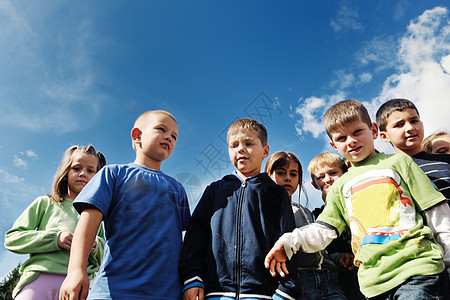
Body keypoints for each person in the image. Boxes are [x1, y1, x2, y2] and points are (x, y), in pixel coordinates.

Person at [264, 99, 450, 299]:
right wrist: (289, 242)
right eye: (341, 138)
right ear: (333, 145)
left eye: (357, 132)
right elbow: (324, 229)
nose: (351, 141)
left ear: (373, 130)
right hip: (373, 282)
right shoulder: (341, 186)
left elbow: (435, 211)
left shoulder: (398, 163)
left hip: (417, 269)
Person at [59, 110, 191, 300]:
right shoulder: (113, 174)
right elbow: (88, 223)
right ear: (137, 136)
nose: (168, 137)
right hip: (114, 290)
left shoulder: (177, 189)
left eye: (174, 136)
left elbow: (183, 242)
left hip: (167, 294)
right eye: (161, 129)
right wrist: (75, 271)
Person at [179, 118, 298, 300]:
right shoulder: (215, 191)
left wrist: (285, 291)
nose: (240, 149)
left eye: (248, 143)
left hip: (262, 294)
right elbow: (196, 236)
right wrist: (193, 278)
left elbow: (288, 242)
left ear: (265, 150)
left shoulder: (277, 193)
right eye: (234, 145)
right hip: (216, 292)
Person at [5, 145, 106, 300]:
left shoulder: (95, 214)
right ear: (66, 172)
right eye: (76, 168)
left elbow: (102, 254)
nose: (83, 174)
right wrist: (55, 239)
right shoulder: (45, 203)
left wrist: (94, 245)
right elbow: (12, 238)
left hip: (80, 288)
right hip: (39, 279)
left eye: (90, 170)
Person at [265, 151, 347, 300]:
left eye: (293, 174)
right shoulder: (265, 212)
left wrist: (337, 258)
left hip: (329, 279)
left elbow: (321, 249)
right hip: (297, 281)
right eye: (281, 173)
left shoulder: (306, 212)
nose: (288, 178)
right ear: (268, 175)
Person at [308, 152, 365, 300]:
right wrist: (337, 258)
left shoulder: (361, 204)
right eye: (321, 177)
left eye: (333, 173)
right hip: (337, 283)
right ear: (315, 184)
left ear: (345, 173)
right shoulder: (316, 216)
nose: (328, 179)